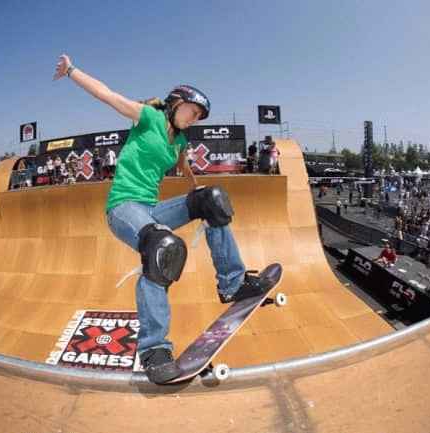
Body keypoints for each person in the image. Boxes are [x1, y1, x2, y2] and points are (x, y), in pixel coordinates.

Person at [54, 54, 273, 384]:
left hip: (151, 210)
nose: (195, 119)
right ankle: (153, 349)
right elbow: (106, 94)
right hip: (123, 209)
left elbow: (184, 167)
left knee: (213, 200)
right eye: (193, 112)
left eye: (199, 117)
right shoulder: (148, 117)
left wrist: (199, 195)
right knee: (162, 248)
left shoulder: (180, 140)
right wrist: (72, 71)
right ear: (177, 103)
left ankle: (233, 283)